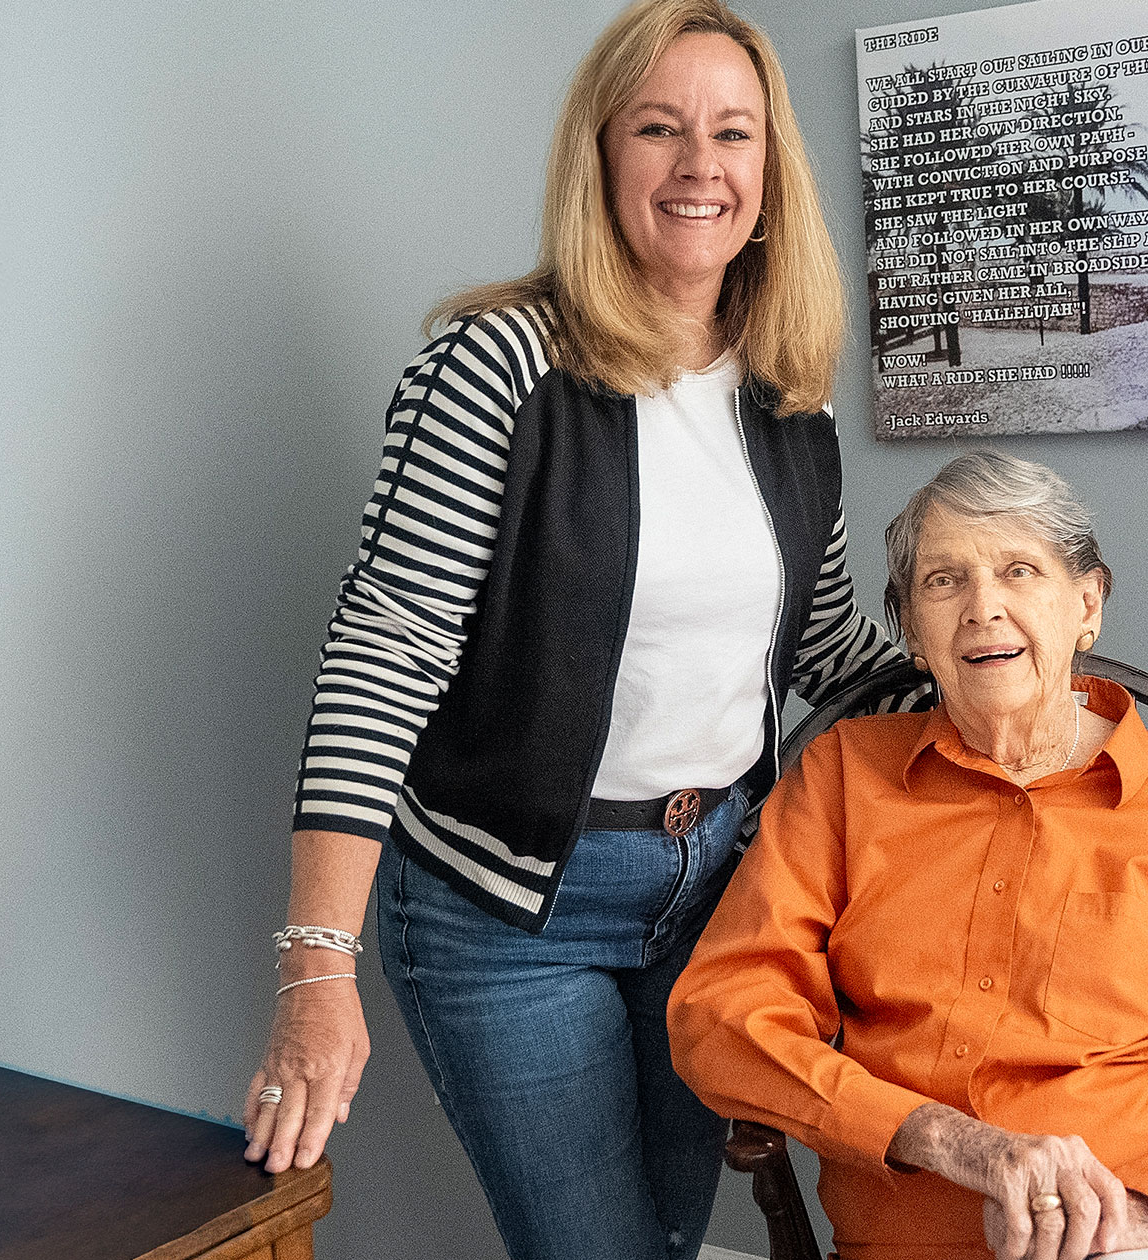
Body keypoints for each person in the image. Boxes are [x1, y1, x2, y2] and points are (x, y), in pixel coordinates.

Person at [240, 3, 902, 1257]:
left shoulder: (785, 399)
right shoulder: (496, 366)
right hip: (510, 915)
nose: (699, 165)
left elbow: (822, 650)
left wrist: (1013, 699)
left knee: (658, 1240)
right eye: (659, 128)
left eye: (731, 133)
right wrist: (316, 966)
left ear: (769, 171)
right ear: (600, 157)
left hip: (720, 890)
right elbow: (383, 657)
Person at [668, 451, 1148, 1260]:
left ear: (1086, 603)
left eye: (1019, 570)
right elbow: (725, 1014)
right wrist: (942, 1137)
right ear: (909, 628)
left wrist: (1133, 1213)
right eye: (943, 581)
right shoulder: (843, 778)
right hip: (921, 1232)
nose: (982, 608)